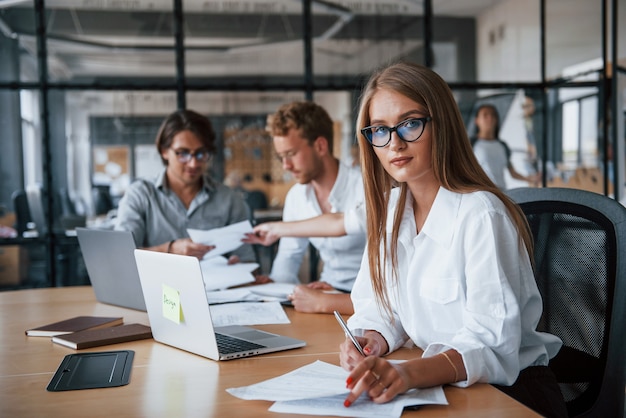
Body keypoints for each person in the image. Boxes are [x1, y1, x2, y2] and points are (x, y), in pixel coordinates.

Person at [339, 62, 567, 418]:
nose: (394, 143)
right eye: (380, 130)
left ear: (441, 123)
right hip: (442, 386)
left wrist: (407, 373)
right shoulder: (393, 211)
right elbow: (384, 307)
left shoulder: (482, 214)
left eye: (410, 123)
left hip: (511, 395)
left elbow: (490, 345)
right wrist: (374, 338)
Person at [252, 101, 366, 315]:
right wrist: (276, 291)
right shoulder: (296, 196)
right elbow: (289, 256)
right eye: (281, 157)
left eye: (291, 154)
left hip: (367, 301)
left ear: (320, 146)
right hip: (326, 294)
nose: (286, 166)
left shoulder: (365, 187)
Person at [114, 109, 256, 264]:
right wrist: (171, 249)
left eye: (201, 153)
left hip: (215, 287)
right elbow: (120, 255)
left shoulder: (229, 199)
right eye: (183, 153)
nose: (193, 163)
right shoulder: (140, 195)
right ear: (164, 151)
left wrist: (239, 267)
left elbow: (247, 258)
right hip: (156, 287)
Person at [471, 103, 539, 190]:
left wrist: (530, 179)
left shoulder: (503, 146)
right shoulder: (470, 145)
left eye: (493, 115)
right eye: (485, 115)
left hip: (502, 192)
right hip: (482, 192)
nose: (490, 118)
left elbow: (512, 173)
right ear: (477, 120)